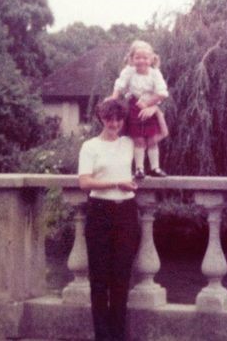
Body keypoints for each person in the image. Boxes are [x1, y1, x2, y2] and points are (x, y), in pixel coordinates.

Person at [78, 98, 139, 341]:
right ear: (101, 118)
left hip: (126, 213)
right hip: (100, 212)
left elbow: (161, 132)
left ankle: (118, 336)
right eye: (109, 118)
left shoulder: (129, 143)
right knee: (100, 279)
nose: (114, 123)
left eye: (118, 119)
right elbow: (84, 182)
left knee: (122, 278)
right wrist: (116, 183)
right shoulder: (90, 146)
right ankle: (102, 337)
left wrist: (154, 106)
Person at [111, 40, 169, 179]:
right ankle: (139, 169)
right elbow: (120, 85)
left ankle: (155, 168)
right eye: (138, 57)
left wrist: (149, 104)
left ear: (151, 59)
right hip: (134, 105)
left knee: (152, 140)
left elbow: (162, 93)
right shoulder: (129, 71)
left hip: (150, 105)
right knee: (138, 140)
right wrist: (113, 97)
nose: (141, 61)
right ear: (132, 59)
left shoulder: (155, 73)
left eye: (145, 58)